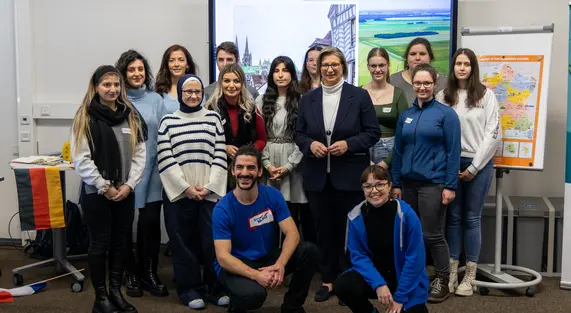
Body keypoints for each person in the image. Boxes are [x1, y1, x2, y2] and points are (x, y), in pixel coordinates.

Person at [295, 46, 381, 302]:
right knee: (324, 231)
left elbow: (372, 132)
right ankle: (329, 279)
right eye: (325, 65)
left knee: (351, 231)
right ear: (318, 68)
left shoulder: (359, 96)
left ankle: (348, 281)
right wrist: (310, 145)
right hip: (318, 179)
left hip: (350, 177)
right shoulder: (307, 99)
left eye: (334, 64)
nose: (329, 69)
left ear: (343, 66)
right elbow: (299, 135)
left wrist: (349, 144)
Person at [71, 65, 147, 313]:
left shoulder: (130, 115)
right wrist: (105, 186)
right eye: (107, 84)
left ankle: (116, 292)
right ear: (96, 87)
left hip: (125, 192)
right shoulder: (85, 117)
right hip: (97, 194)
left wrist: (128, 185)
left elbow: (139, 154)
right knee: (99, 244)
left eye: (116, 85)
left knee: (120, 244)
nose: (112, 89)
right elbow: (81, 159)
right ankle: (100, 298)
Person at [212, 145, 319, 313]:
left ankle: (292, 306)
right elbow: (223, 257)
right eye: (239, 167)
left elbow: (292, 233)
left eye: (251, 167)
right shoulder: (222, 208)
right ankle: (237, 304)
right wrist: (256, 276)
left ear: (260, 171)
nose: (245, 172)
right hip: (237, 263)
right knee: (254, 296)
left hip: (265, 258)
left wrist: (280, 264)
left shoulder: (272, 196)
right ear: (232, 171)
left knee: (309, 251)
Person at [158, 73, 229, 310]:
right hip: (179, 195)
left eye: (197, 91)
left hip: (209, 193)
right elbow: (165, 158)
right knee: (183, 243)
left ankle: (215, 287)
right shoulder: (168, 121)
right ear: (180, 93)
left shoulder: (213, 119)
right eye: (187, 91)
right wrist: (186, 188)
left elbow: (219, 155)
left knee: (212, 242)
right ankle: (189, 290)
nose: (192, 96)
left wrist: (209, 187)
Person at [391, 63, 461, 303]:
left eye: (427, 83)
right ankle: (414, 278)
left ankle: (443, 279)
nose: (422, 87)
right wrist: (396, 182)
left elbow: (454, 153)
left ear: (435, 84)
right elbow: (398, 152)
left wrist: (450, 185)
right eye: (418, 83)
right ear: (413, 84)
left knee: (432, 234)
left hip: (434, 184)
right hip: (407, 185)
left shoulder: (446, 115)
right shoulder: (406, 116)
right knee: (410, 235)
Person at [436, 48, 502, 296]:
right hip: (451, 163)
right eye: (458, 63)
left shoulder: (486, 96)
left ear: (473, 68)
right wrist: (450, 167)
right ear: (453, 67)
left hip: (479, 164)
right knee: (452, 218)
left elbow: (492, 135)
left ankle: (470, 276)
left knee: (472, 218)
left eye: (467, 64)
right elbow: (439, 131)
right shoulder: (444, 96)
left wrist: (474, 168)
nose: (462, 68)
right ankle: (452, 273)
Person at [335, 165, 429, 313]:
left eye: (380, 184)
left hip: (404, 278)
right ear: (363, 188)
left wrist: (400, 298)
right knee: (344, 284)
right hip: (376, 276)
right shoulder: (355, 216)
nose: (374, 191)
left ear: (389, 185)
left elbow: (415, 260)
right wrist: (378, 284)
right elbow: (358, 256)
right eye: (368, 186)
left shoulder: (407, 215)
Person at [115, 49, 169, 298]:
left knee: (149, 224)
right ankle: (130, 273)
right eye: (131, 69)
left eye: (140, 69)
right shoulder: (116, 99)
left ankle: (149, 271)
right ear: (123, 73)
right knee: (124, 224)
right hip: (124, 172)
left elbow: (164, 134)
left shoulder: (156, 100)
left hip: (153, 168)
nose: (136, 74)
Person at [256, 56, 314, 244]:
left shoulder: (302, 101)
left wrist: (289, 165)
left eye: (285, 70)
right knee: (267, 217)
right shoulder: (261, 100)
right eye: (276, 70)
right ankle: (269, 259)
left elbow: (305, 136)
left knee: (291, 216)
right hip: (268, 160)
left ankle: (290, 261)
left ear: (292, 74)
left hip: (294, 161)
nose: (280, 75)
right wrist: (266, 164)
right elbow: (258, 135)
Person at [205, 63, 267, 189]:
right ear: (220, 83)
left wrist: (246, 152)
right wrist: (224, 147)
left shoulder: (252, 108)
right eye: (227, 81)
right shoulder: (210, 108)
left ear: (242, 84)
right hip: (219, 169)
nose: (232, 86)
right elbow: (205, 142)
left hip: (247, 169)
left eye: (236, 81)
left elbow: (262, 140)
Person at [361, 47, 408, 169]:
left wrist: (386, 162)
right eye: (373, 66)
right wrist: (365, 160)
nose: (377, 70)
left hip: (391, 152)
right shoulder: (358, 93)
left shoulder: (398, 94)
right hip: (364, 152)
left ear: (388, 66)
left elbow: (404, 132)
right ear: (368, 67)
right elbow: (352, 129)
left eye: (381, 65)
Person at [389, 38, 447, 105]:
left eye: (422, 54)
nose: (417, 58)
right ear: (406, 58)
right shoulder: (392, 81)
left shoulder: (444, 83)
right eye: (413, 54)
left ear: (430, 57)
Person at [155, 44, 198, 113]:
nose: (176, 64)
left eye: (181, 60)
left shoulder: (197, 89)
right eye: (172, 60)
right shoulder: (158, 91)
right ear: (167, 65)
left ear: (187, 65)